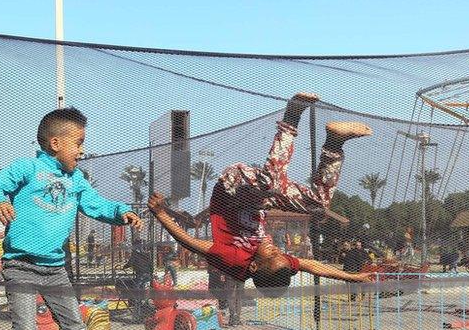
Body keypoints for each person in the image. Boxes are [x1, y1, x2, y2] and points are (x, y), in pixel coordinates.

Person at [0, 107, 142, 330]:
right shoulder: (28, 168)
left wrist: (122, 211)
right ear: (55, 143)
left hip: (55, 270)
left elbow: (99, 205)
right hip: (20, 266)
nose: (82, 151)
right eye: (78, 143)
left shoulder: (77, 181)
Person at [148, 93, 375, 294]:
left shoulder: (235, 261)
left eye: (272, 255)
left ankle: (292, 114)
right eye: (280, 254)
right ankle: (334, 142)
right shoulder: (279, 265)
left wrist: (160, 213)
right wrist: (351, 277)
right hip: (261, 200)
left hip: (233, 187)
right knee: (317, 203)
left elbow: (189, 241)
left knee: (270, 183)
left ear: (255, 266)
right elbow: (314, 266)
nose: (277, 250)